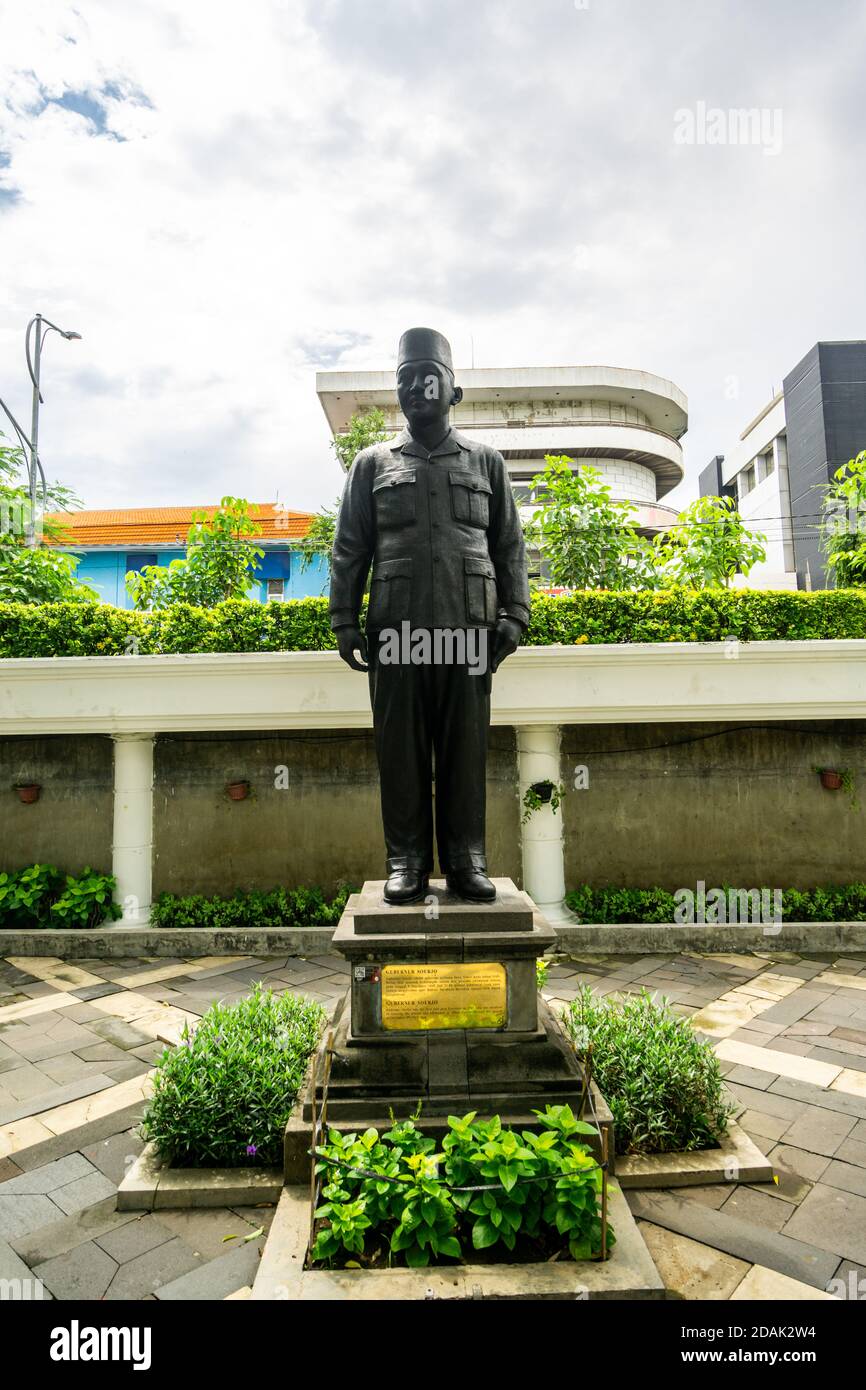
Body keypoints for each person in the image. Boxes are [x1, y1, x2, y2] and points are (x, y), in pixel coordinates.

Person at [329, 327, 530, 904]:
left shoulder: (486, 463)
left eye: (427, 378)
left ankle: (467, 859)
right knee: (401, 748)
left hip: (470, 632)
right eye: (404, 381)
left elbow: (508, 546)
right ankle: (407, 861)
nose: (416, 389)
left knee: (466, 747)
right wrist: (344, 618)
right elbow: (350, 549)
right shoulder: (371, 465)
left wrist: (513, 615)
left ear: (452, 390)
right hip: (396, 633)